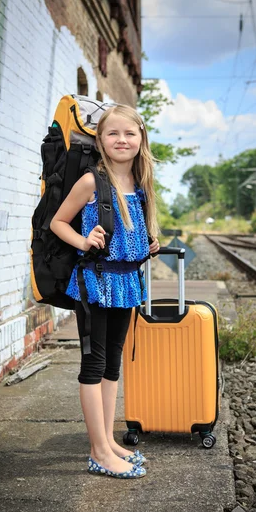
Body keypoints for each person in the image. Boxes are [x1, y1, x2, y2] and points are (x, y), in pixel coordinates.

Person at [50, 104, 159, 479]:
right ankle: (97, 451)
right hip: (95, 283)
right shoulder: (90, 181)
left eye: (130, 133)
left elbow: (134, 231)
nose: (122, 140)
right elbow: (57, 222)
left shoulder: (141, 185)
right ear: (100, 140)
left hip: (126, 282)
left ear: (141, 139)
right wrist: (83, 238)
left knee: (113, 362)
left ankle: (109, 441)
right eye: (113, 133)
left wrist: (149, 242)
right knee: (93, 365)